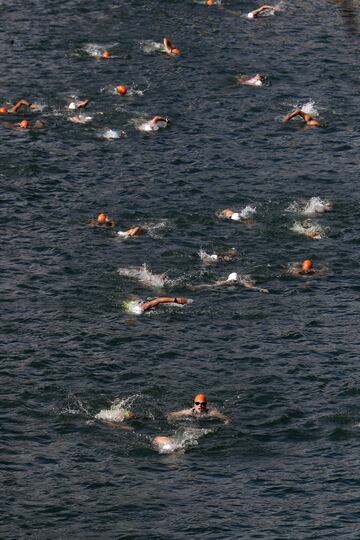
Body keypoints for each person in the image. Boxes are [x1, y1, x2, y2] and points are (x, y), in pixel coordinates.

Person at [191, 272, 269, 293]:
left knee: (249, 281)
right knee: (216, 283)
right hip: (225, 280)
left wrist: (261, 289)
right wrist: (198, 287)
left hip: (242, 280)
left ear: (237, 280)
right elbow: (210, 286)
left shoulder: (241, 282)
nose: (232, 283)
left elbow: (251, 287)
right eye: (231, 281)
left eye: (234, 281)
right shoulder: (225, 282)